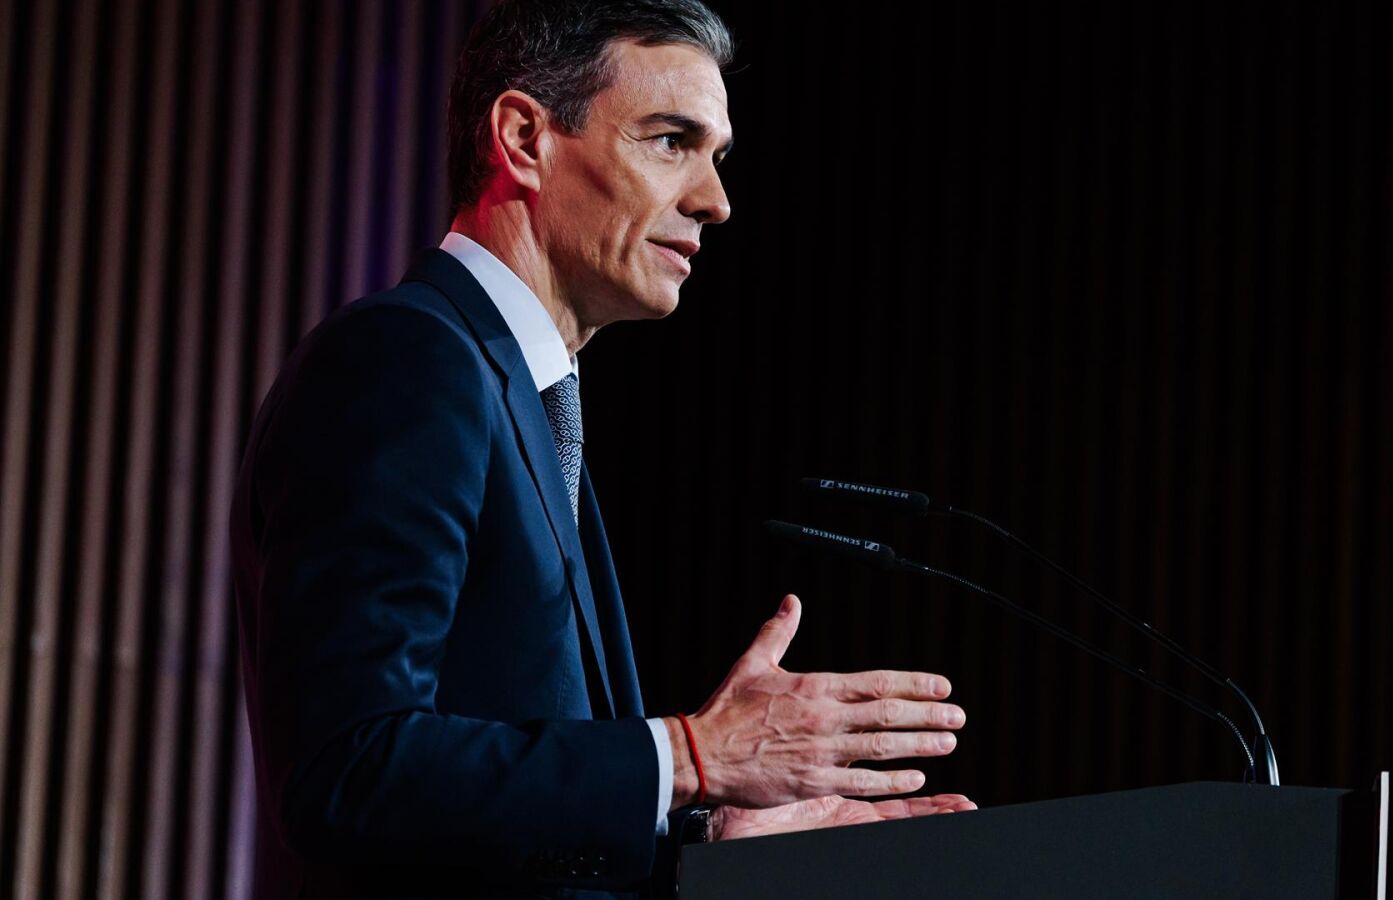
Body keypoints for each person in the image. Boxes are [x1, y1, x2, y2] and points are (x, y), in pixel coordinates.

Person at [229, 2, 973, 897]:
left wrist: (699, 826)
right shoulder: (406, 360)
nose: (714, 201)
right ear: (523, 138)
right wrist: (691, 756)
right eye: (670, 141)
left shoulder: (530, 397)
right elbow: (348, 768)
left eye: (716, 156)